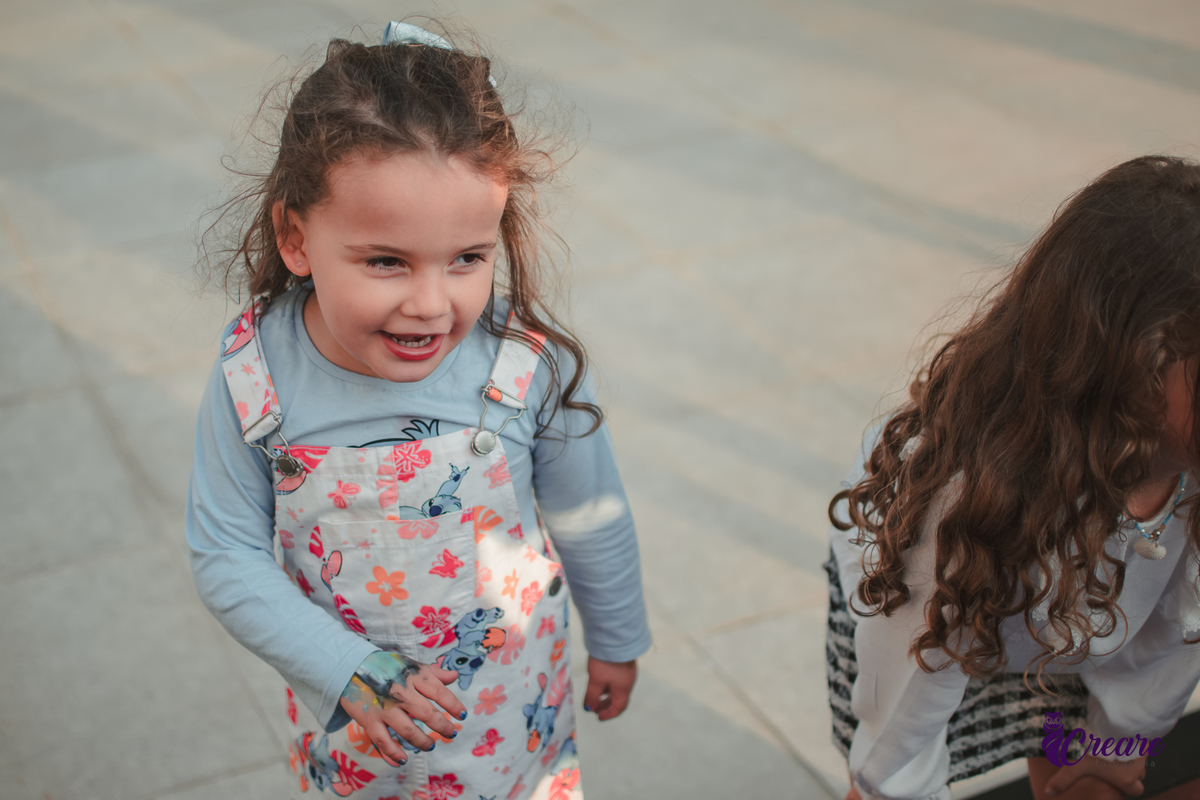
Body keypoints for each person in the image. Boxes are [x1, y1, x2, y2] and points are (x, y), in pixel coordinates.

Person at [186, 21, 650, 800]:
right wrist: (348, 671)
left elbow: (590, 513)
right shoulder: (253, 377)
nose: (431, 305)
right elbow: (225, 552)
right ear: (296, 238)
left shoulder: (529, 365)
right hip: (353, 730)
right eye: (386, 262)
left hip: (510, 723)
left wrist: (617, 637)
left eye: (467, 258)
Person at [826, 155, 1200, 800]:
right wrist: (888, 784)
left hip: (1084, 626)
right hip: (931, 615)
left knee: (1072, 749)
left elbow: (1175, 632)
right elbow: (910, 688)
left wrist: (1117, 754)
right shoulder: (968, 492)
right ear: (1136, 364)